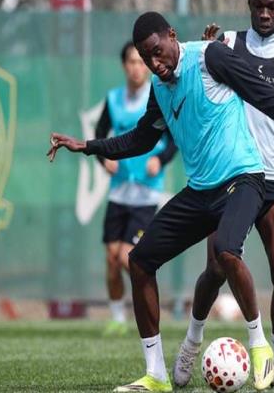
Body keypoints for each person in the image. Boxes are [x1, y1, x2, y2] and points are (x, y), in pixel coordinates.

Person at [47, 11, 274, 392]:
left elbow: (268, 99)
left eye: (157, 51)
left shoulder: (209, 56)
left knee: (227, 251)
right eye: (146, 58)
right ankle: (156, 375)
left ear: (172, 35)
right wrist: (88, 146)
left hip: (244, 178)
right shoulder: (160, 87)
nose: (154, 63)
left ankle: (260, 345)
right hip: (201, 192)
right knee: (140, 261)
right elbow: (142, 138)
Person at [174, 0, 274, 392]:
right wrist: (205, 56)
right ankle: (190, 343)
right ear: (248, 3)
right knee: (215, 268)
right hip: (232, 173)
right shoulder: (227, 44)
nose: (264, 13)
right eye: (258, 5)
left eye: (272, 6)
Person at [95, 41, 177, 336]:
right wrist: (103, 159)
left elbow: (174, 139)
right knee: (111, 258)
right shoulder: (113, 99)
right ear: (124, 66)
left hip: (146, 193)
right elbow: (99, 133)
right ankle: (118, 318)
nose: (136, 68)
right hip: (119, 192)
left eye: (141, 62)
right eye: (131, 62)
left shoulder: (158, 96)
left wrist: (159, 159)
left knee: (127, 256)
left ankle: (150, 300)